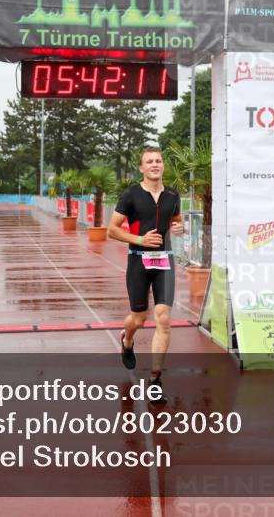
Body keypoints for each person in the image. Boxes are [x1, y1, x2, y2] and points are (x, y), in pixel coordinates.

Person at [108, 147, 183, 404]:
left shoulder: (173, 194)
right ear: (141, 168)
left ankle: (155, 379)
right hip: (138, 261)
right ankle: (126, 338)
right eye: (149, 161)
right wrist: (140, 239)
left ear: (163, 166)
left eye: (158, 161)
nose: (154, 164)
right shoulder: (130, 194)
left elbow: (176, 220)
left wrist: (179, 227)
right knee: (138, 318)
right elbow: (112, 230)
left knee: (163, 318)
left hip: (165, 261)